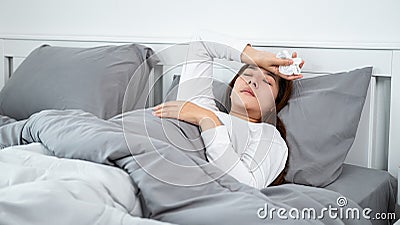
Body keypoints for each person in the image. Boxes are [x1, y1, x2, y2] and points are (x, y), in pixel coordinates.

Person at [152, 31, 303, 189]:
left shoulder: (269, 137)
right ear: (232, 88)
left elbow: (247, 186)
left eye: (266, 81)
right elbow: (201, 42)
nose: (253, 81)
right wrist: (255, 56)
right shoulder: (198, 104)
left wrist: (208, 120)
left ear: (274, 105)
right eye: (248, 74)